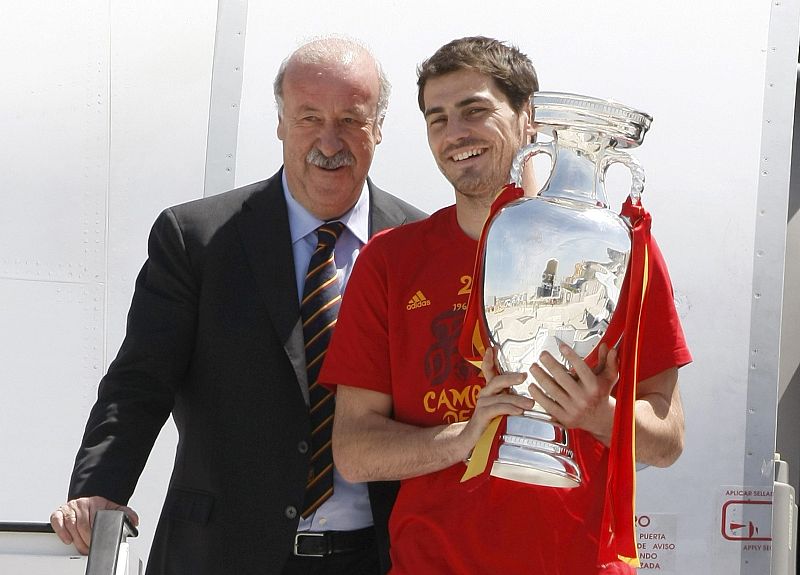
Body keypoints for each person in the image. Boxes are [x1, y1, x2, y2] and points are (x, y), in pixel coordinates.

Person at [49, 36, 425, 575]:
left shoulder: (418, 246)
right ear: (279, 122)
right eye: (308, 117)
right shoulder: (197, 238)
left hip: (377, 556)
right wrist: (99, 490)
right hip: (221, 552)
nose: (329, 140)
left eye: (351, 120)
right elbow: (139, 382)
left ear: (380, 127)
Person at [321, 36, 692, 574]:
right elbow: (354, 450)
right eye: (437, 118)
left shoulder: (618, 249)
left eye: (475, 111)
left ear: (529, 120)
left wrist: (598, 416)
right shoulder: (390, 261)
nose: (455, 134)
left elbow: (667, 440)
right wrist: (467, 436)